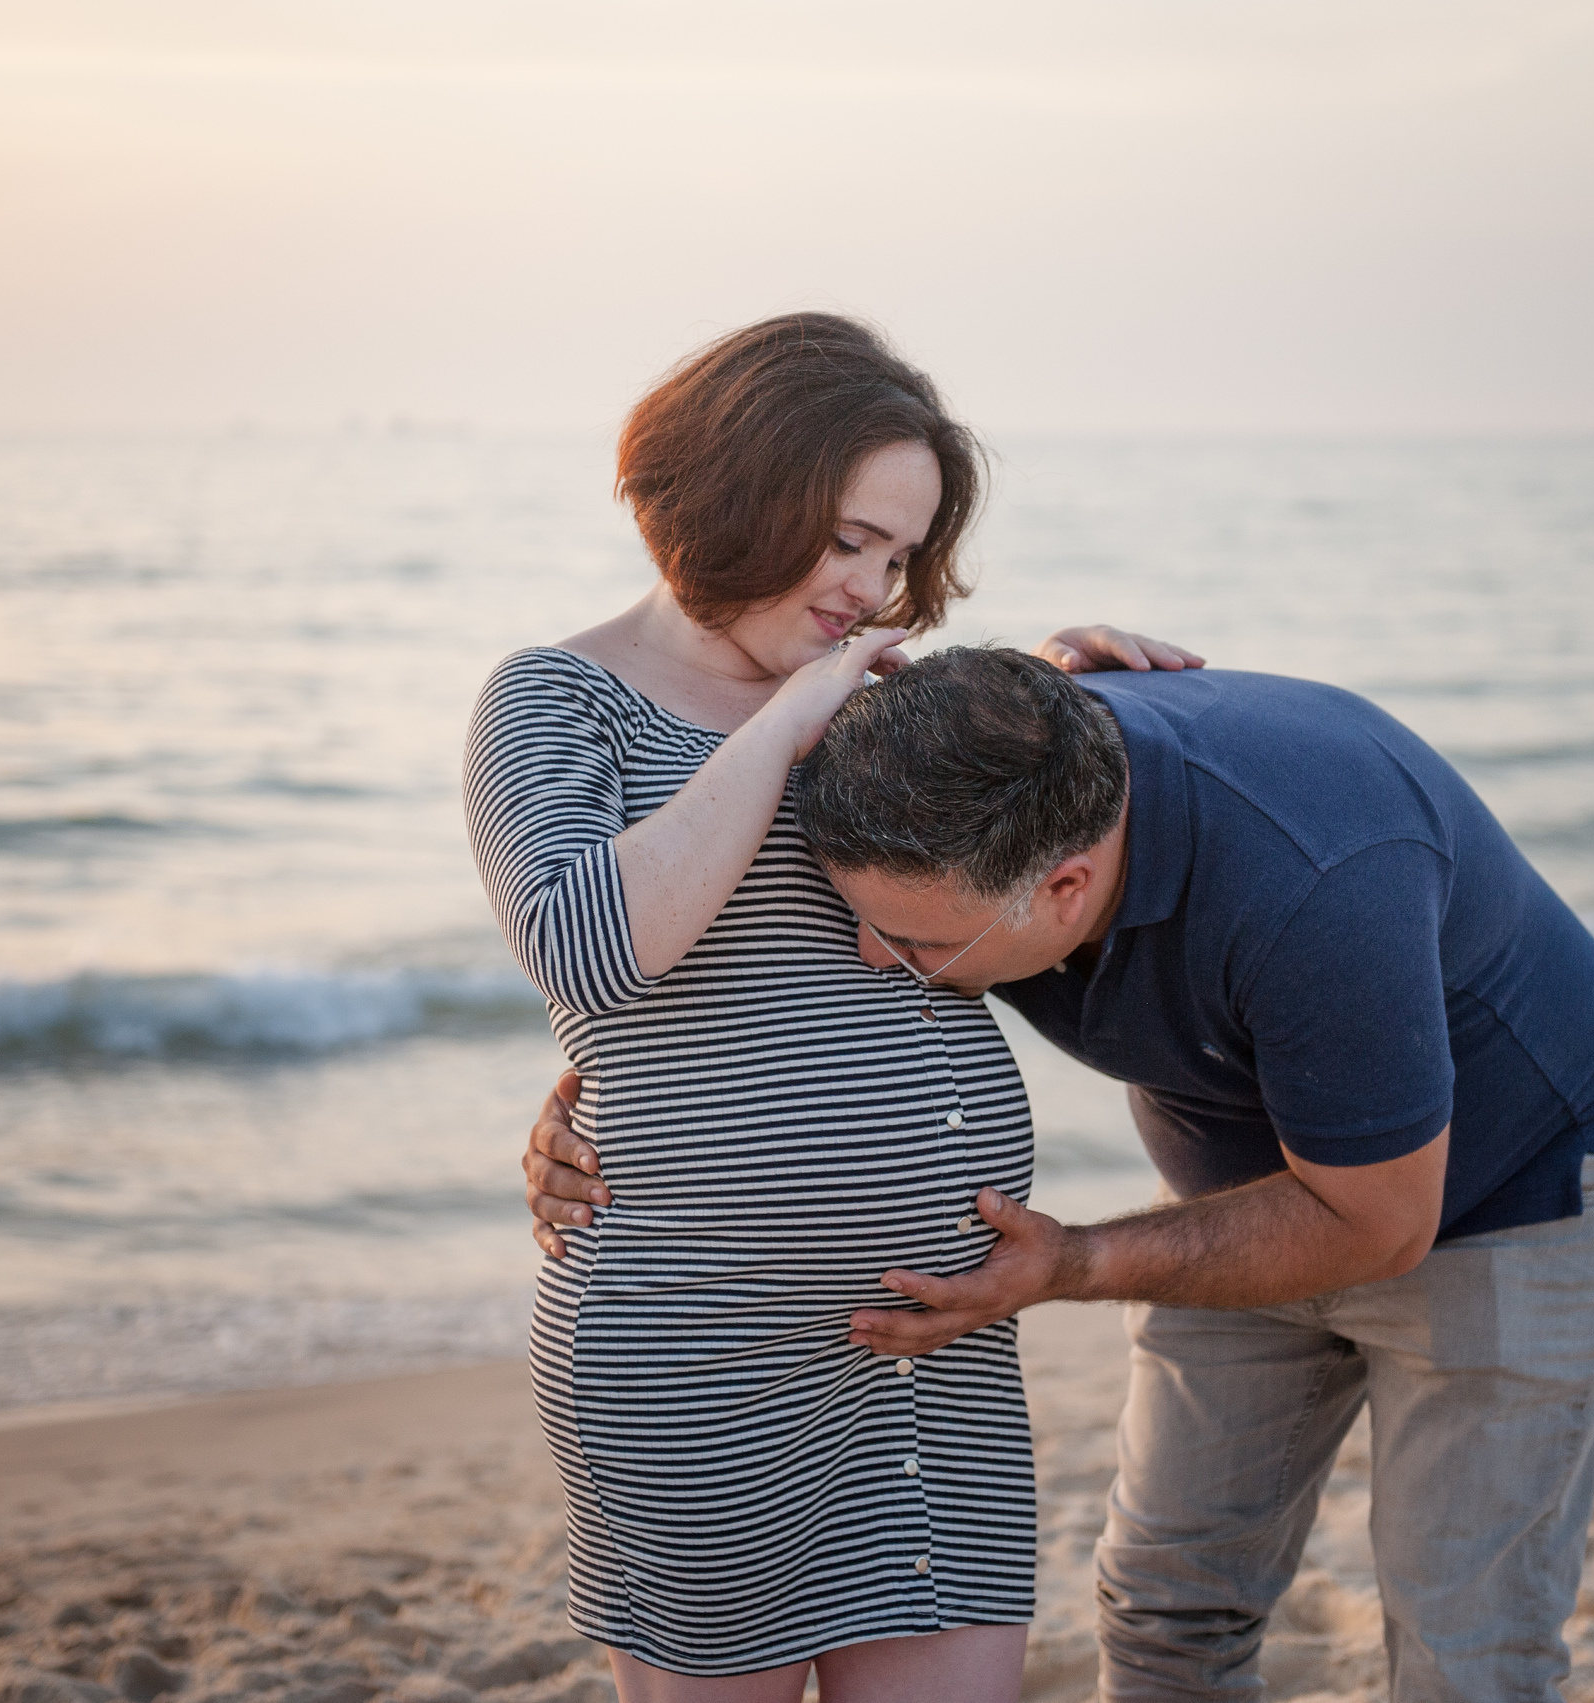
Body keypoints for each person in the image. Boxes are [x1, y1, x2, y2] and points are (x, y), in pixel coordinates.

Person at [526, 645, 1594, 1702]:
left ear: (1066, 889)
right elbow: (751, 986)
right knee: (1168, 1603)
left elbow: (1377, 1222)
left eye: (916, 947)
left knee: (1465, 1640)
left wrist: (1075, 1261)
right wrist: (597, 1116)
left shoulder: (1320, 879)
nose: (876, 958)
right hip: (1240, 1195)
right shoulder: (994, 767)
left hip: (1509, 1195)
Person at [463, 315, 1200, 1703]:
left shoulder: (871, 700)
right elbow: (589, 949)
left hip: (935, 1346)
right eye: (849, 539)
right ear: (738, 490)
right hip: (699, 1355)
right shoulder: (559, 698)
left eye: (900, 556)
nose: (873, 588)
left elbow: (1023, 888)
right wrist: (785, 721)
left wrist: (1045, 708)